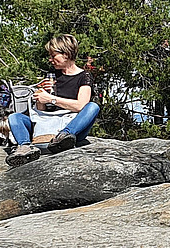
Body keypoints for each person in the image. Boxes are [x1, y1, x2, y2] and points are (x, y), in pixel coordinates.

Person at [5, 34, 100, 167]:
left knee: (93, 107)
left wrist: (52, 99)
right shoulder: (52, 75)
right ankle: (25, 147)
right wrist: (41, 97)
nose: (50, 60)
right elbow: (41, 113)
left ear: (66, 54)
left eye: (53, 55)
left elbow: (80, 106)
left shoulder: (84, 76)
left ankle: (64, 137)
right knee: (15, 117)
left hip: (71, 123)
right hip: (47, 123)